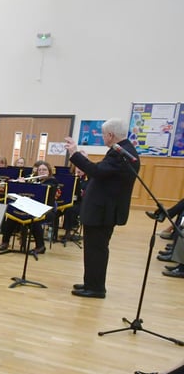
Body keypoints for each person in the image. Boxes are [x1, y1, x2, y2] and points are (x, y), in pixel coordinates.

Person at [64, 118, 138, 299]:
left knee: (96, 249)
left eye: (104, 135)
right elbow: (101, 172)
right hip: (103, 210)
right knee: (93, 249)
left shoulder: (120, 154)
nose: (103, 138)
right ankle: (91, 283)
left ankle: (96, 288)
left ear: (111, 135)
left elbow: (96, 172)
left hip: (103, 212)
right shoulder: (121, 151)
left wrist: (74, 154)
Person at [0, 160, 57, 256]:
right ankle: (5, 241)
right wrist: (17, 184)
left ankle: (40, 246)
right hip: (29, 208)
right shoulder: (34, 179)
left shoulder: (52, 181)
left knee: (35, 220)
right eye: (40, 170)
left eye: (44, 170)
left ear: (49, 171)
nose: (42, 172)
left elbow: (41, 190)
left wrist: (26, 183)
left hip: (46, 210)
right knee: (12, 215)